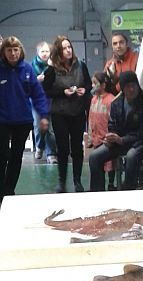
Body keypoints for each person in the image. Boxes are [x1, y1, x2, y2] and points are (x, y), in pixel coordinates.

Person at [88, 71, 143, 191]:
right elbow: (112, 124)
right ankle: (97, 192)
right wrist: (111, 137)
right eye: (127, 87)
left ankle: (128, 190)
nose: (131, 89)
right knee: (95, 157)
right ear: (122, 89)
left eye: (134, 85)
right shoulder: (116, 103)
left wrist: (122, 140)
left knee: (131, 156)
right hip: (121, 142)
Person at [0, 36, 49, 203]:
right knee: (2, 155)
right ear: (4, 52)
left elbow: (38, 95)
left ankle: (8, 190)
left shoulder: (27, 69)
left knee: (16, 156)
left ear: (20, 51)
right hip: (3, 121)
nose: (13, 53)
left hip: (22, 121)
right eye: (9, 50)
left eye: (15, 50)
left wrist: (43, 115)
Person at [43, 35, 91, 193]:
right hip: (60, 113)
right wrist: (63, 92)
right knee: (62, 148)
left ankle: (77, 181)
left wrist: (84, 90)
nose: (68, 50)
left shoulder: (81, 65)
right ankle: (61, 181)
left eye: (69, 47)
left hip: (78, 112)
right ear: (59, 51)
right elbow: (47, 90)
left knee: (77, 148)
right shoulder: (52, 69)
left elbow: (89, 84)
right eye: (64, 48)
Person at [87, 72, 116, 191]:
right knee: (97, 165)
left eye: (95, 83)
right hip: (96, 138)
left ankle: (111, 183)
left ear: (103, 85)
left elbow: (113, 121)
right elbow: (90, 119)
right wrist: (90, 137)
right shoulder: (94, 100)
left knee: (110, 164)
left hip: (107, 139)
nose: (93, 85)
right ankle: (98, 188)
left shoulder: (111, 100)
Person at [31, 41, 58, 163]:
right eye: (42, 51)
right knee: (39, 127)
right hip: (36, 101)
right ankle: (39, 146)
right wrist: (37, 80)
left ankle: (51, 153)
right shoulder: (32, 66)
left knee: (50, 129)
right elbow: (27, 85)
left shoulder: (53, 66)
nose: (45, 54)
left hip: (50, 100)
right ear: (38, 53)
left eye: (47, 51)